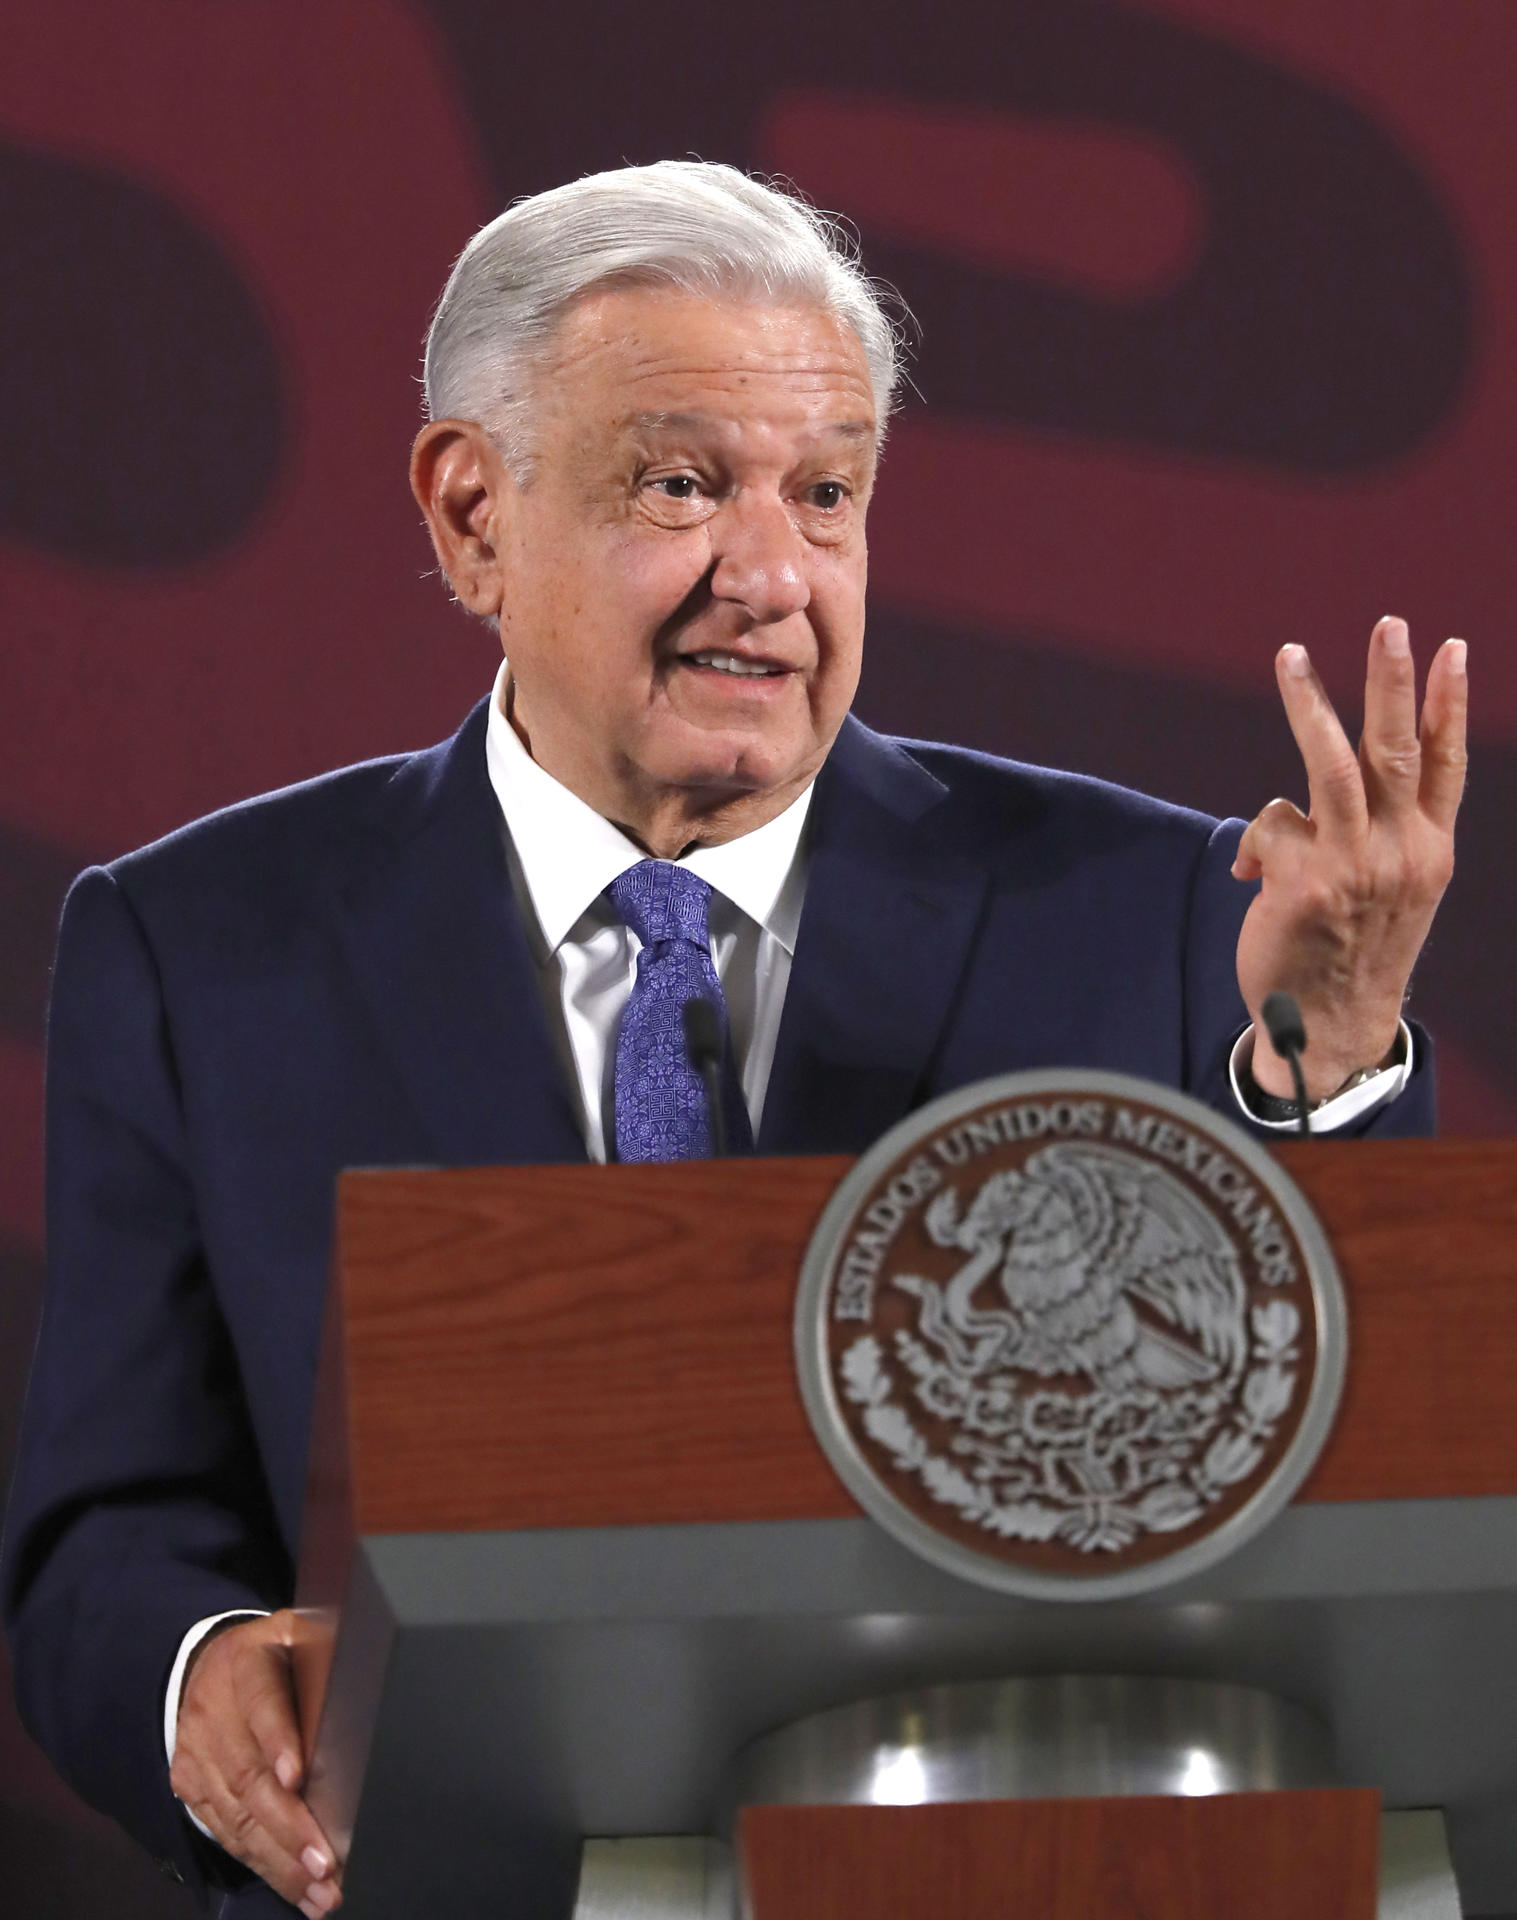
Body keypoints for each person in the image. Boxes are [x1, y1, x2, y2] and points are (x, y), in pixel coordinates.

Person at [1, 162, 1464, 1919]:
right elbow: (107, 1533)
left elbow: (1347, 1441)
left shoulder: (1152, 908)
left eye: (827, 494)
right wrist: (200, 1672)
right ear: (473, 514)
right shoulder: (202, 948)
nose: (769, 574)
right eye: (680, 484)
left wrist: (1327, 1052)